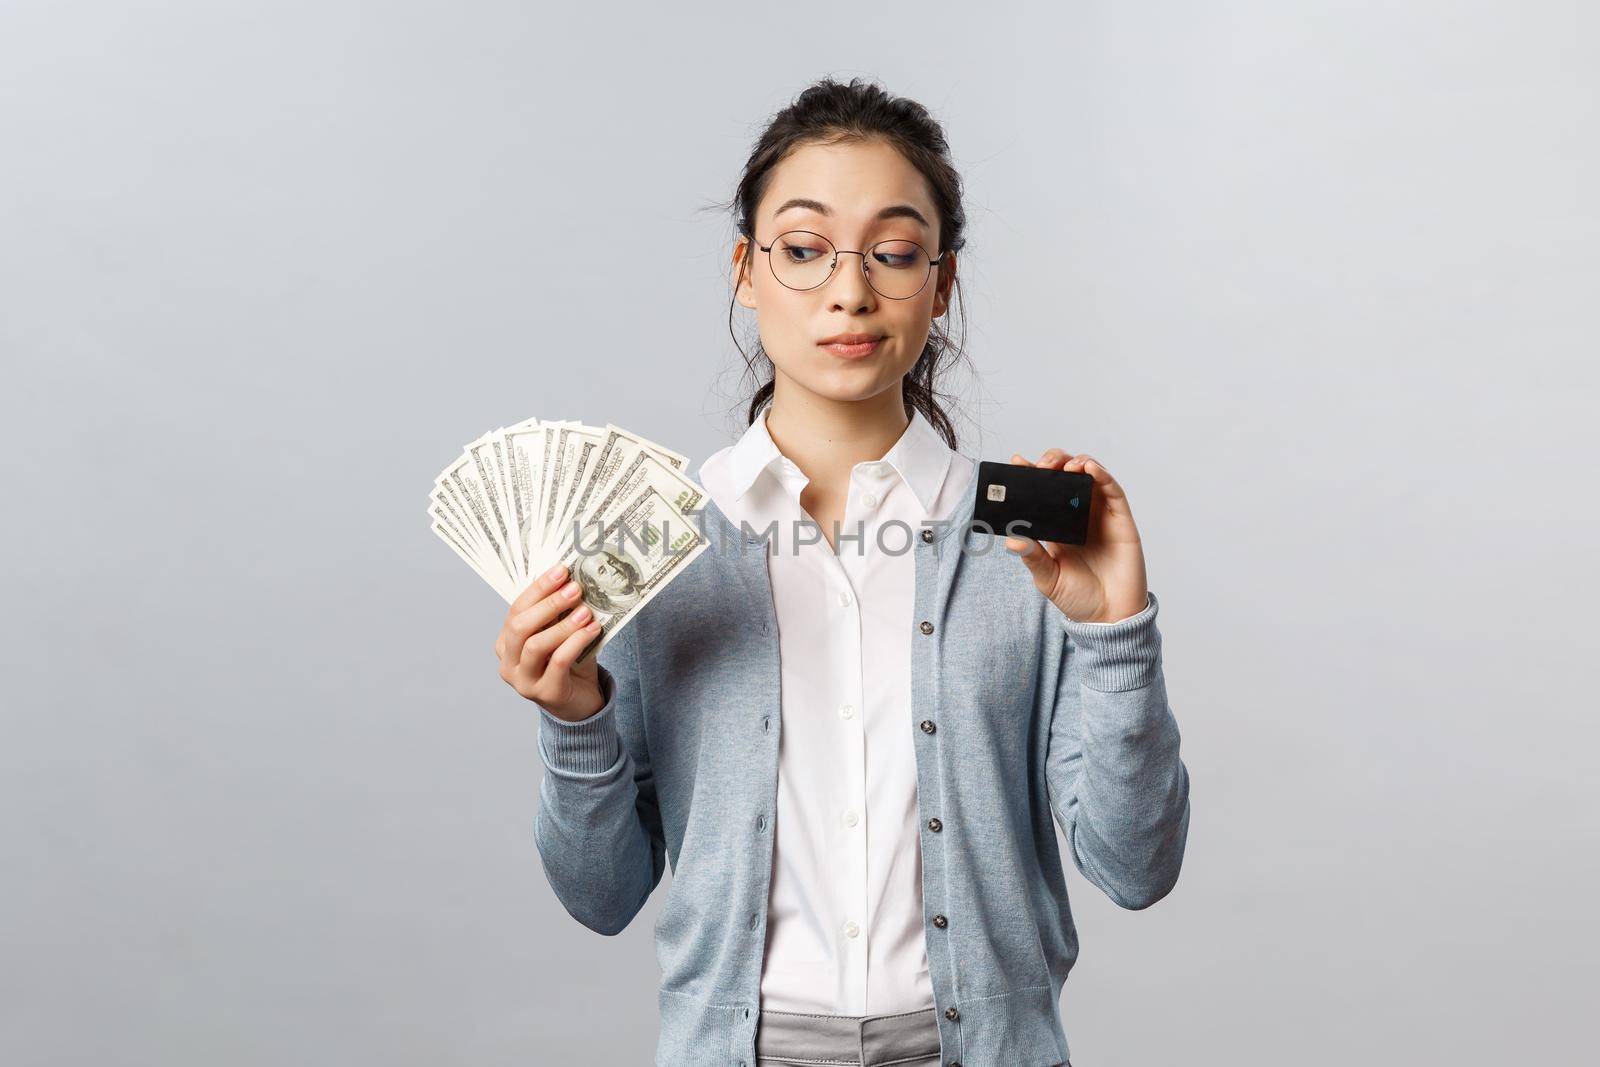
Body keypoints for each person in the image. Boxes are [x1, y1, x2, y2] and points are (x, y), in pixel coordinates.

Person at [494, 77, 1191, 1067]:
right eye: (804, 247)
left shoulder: (1030, 548)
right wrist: (574, 722)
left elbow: (1135, 867)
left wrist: (1113, 634)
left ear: (941, 283)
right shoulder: (651, 549)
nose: (850, 289)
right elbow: (598, 895)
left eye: (895, 252)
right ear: (746, 268)